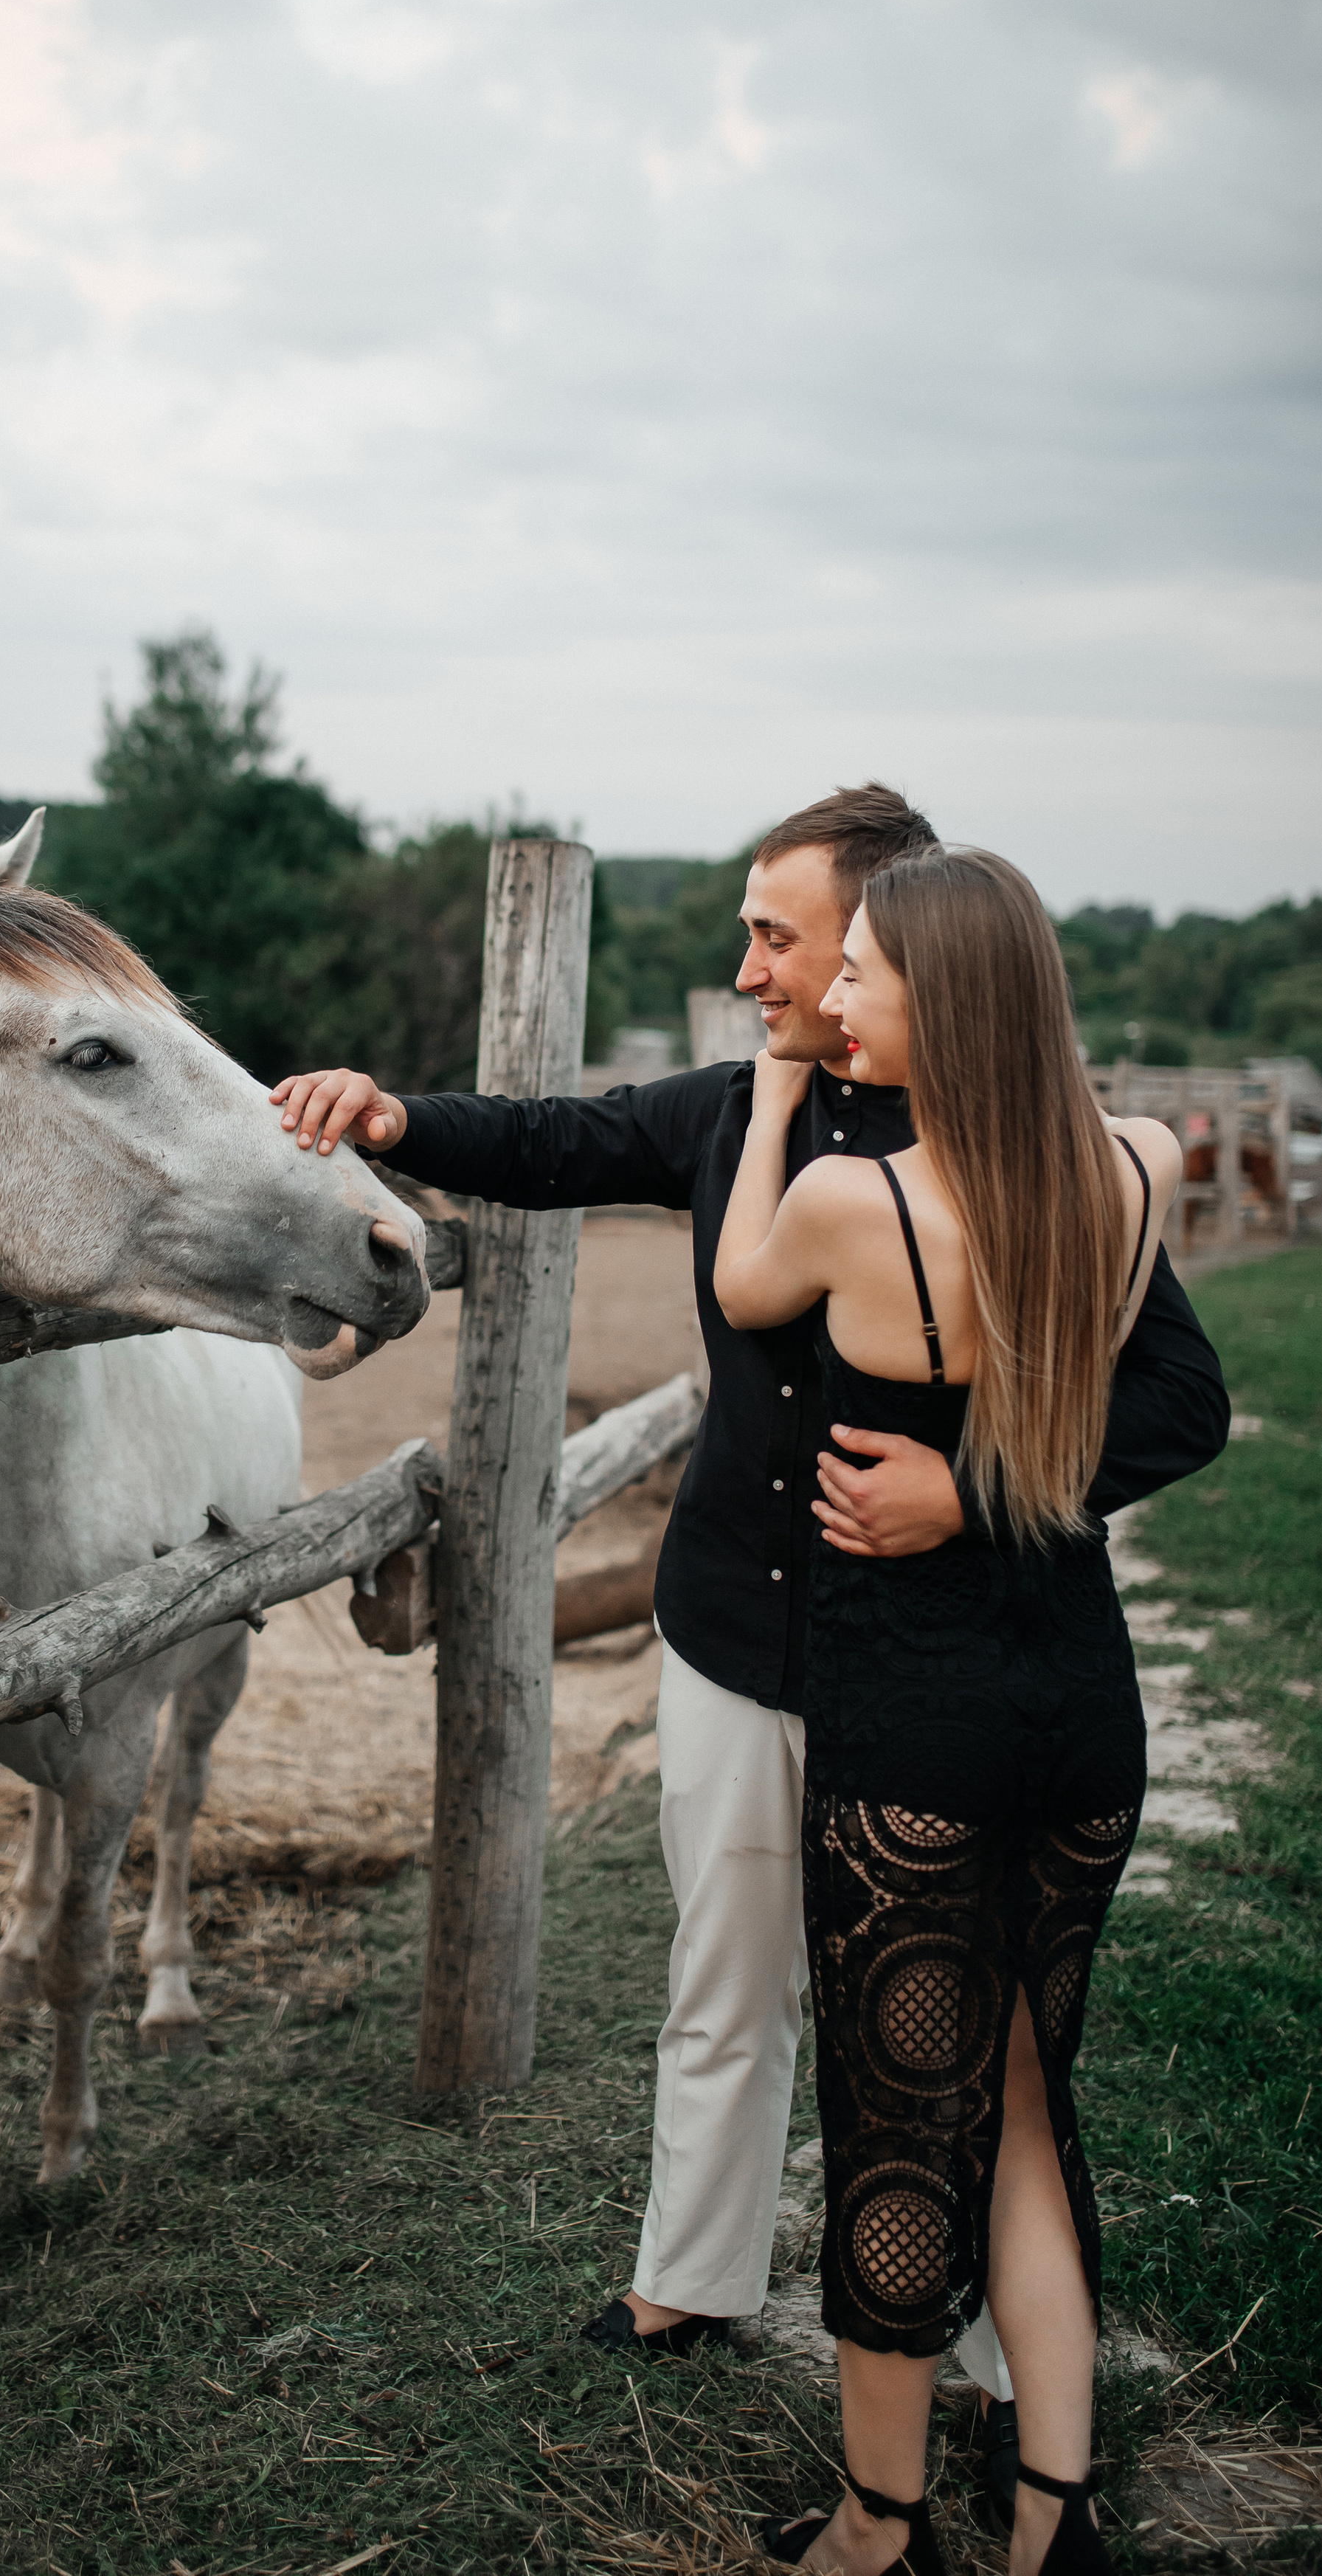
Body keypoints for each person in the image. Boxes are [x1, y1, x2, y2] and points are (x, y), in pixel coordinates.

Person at [269, 786, 1227, 2528]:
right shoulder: (729, 1112)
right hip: (733, 1628)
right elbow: (554, 1149)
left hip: (924, 1676)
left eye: (784, 936)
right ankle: (690, 2279)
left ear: (890, 938)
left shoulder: (1030, 1148)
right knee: (724, 1978)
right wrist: (395, 1114)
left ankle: (996, 2382)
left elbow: (1171, 1397)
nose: (753, 968)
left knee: (955, 2054)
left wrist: (968, 1492)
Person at [714, 847, 1184, 2576]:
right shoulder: (1136, 1169)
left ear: (946, 1002)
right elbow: (1103, 1413)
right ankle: (1050, 2515)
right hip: (1080, 1710)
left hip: (914, 1728)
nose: (830, 1001)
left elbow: (742, 1288)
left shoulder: (858, 1205)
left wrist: (774, 1101)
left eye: (864, 980)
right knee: (1026, 2101)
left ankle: (878, 2520)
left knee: (897, 2137)